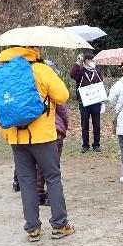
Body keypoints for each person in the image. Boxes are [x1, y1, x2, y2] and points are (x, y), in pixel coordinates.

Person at [0, 46, 74, 242]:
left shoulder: (1, 73)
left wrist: (7, 134)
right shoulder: (41, 70)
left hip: (16, 138)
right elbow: (62, 96)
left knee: (26, 181)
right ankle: (60, 225)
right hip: (43, 136)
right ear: (33, 51)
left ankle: (32, 229)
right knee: (52, 177)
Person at [36, 60, 69, 205]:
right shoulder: (55, 88)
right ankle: (51, 196)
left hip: (35, 131)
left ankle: (38, 195)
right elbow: (63, 112)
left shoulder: (30, 86)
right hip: (54, 131)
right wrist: (64, 127)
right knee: (53, 166)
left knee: (38, 165)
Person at [70, 52, 103, 152]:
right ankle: (85, 145)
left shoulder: (97, 71)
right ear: (84, 61)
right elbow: (72, 75)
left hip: (95, 101)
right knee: (84, 124)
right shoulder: (80, 70)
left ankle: (96, 144)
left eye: (91, 60)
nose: (89, 62)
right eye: (87, 60)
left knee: (96, 124)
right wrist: (77, 63)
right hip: (84, 101)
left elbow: (101, 81)